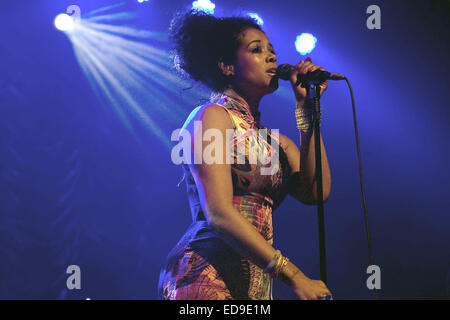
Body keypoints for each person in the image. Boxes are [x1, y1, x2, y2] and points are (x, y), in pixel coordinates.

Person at [158, 9, 333, 300]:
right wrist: (295, 276)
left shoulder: (277, 143)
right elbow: (218, 212)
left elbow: (317, 193)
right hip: (205, 275)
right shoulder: (211, 117)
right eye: (257, 50)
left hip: (255, 282)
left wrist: (307, 111)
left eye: (272, 51)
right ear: (227, 66)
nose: (271, 57)